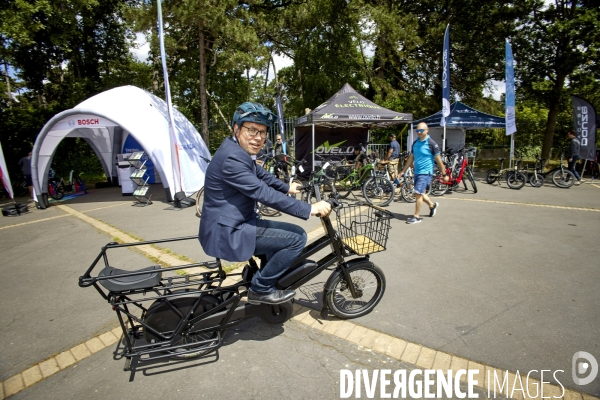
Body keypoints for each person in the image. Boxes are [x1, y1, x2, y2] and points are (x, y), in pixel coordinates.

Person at [199, 102, 332, 305]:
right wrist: (309, 208)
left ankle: (267, 277)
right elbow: (262, 192)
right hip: (230, 230)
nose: (258, 137)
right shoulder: (232, 158)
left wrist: (287, 187)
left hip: (234, 222)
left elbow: (259, 173)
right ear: (236, 128)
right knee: (297, 238)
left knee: (284, 235)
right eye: (251, 130)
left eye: (262, 132)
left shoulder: (234, 149)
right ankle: (260, 289)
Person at [398, 123, 449, 224]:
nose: (419, 133)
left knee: (417, 193)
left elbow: (439, 161)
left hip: (426, 172)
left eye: (421, 130)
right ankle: (432, 205)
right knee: (420, 193)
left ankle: (416, 216)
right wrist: (403, 171)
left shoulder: (431, 144)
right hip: (417, 172)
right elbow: (411, 158)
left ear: (427, 130)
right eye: (417, 131)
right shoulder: (415, 143)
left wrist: (444, 175)